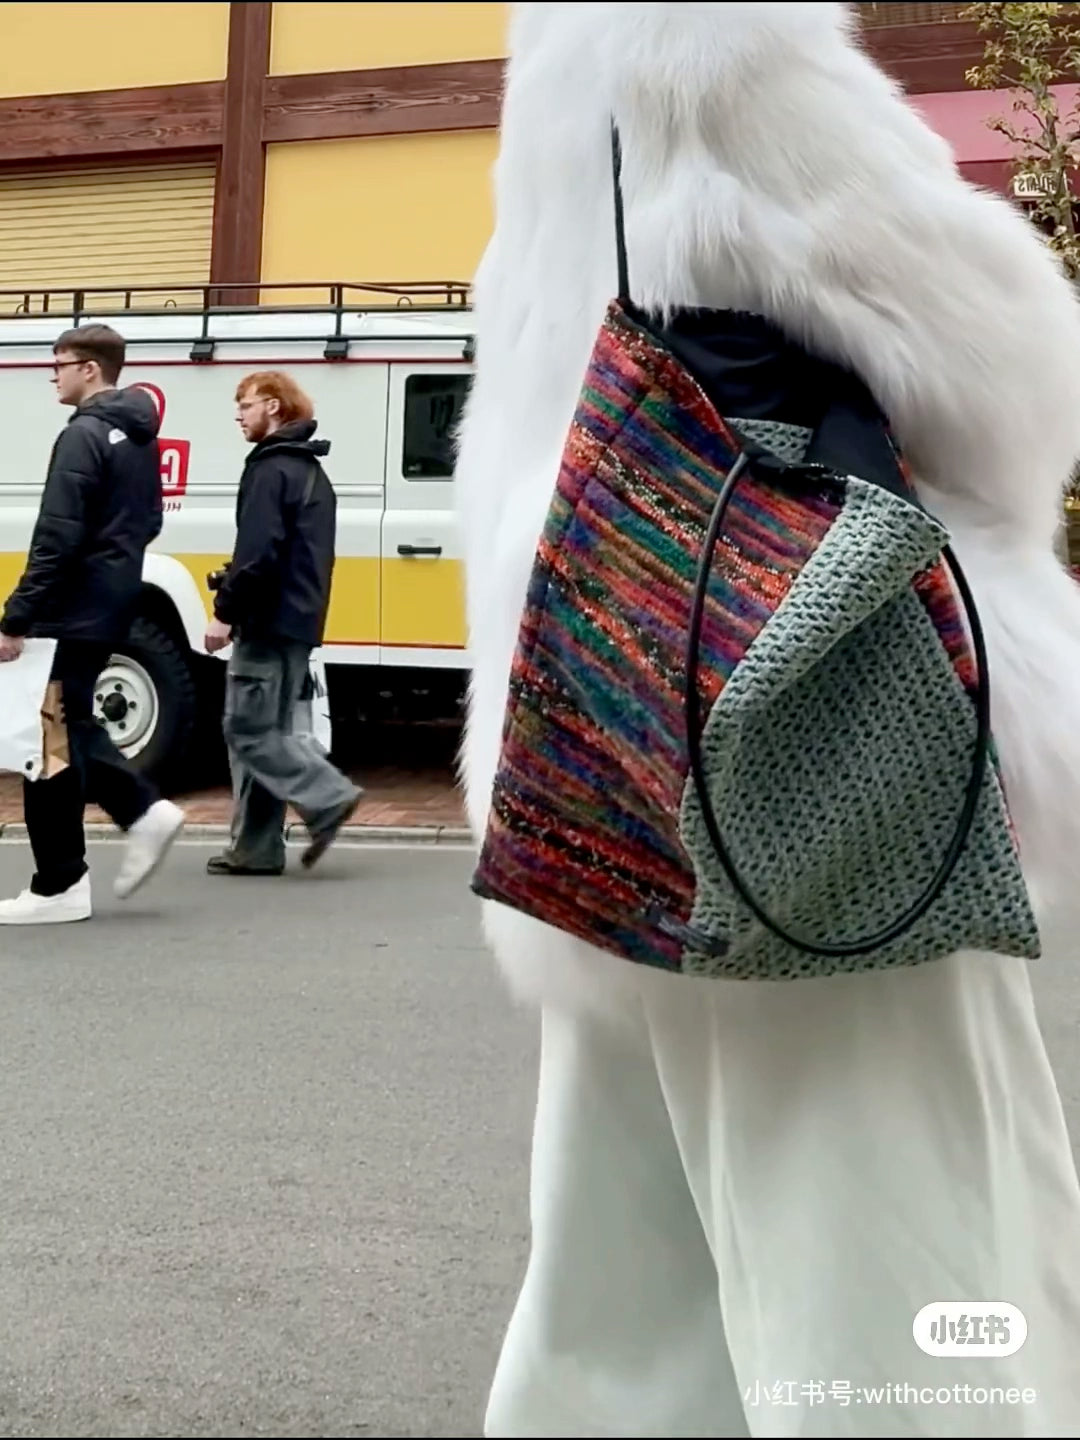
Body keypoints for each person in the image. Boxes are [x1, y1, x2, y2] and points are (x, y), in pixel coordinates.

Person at [454, 3, 1080, 1435]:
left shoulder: (559, 62)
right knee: (910, 1285)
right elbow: (989, 354)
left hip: (608, 725)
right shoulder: (711, 35)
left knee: (629, 1295)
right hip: (804, 730)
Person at [0, 323, 185, 924]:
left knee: (46, 739)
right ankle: (131, 821)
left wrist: (16, 615)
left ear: (90, 369)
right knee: (70, 723)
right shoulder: (137, 438)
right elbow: (148, 519)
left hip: (68, 612)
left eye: (59, 364)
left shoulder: (82, 436)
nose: (52, 375)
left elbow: (56, 534)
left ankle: (61, 882)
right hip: (111, 603)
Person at [204, 370, 361, 877]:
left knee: (247, 730)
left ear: (274, 407)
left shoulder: (271, 470)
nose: (238, 416)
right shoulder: (311, 470)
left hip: (267, 620)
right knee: (267, 732)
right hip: (299, 621)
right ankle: (255, 848)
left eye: (245, 405)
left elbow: (259, 554)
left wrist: (225, 612)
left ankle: (328, 798)